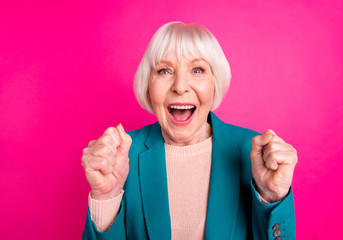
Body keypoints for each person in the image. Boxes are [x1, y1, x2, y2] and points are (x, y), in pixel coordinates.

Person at [81, 22, 297, 240]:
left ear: (215, 82)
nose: (180, 86)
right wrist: (106, 197)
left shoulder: (253, 153)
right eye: (164, 71)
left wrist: (272, 197)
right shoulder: (122, 156)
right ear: (148, 84)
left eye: (197, 70)